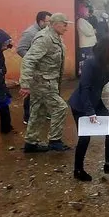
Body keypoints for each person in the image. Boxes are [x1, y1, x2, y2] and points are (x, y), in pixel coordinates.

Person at [69, 36, 109, 181]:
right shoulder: (91, 63)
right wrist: (90, 112)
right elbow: (85, 88)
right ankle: (78, 170)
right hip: (81, 104)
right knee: (84, 138)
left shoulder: (106, 63)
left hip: (96, 101)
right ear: (104, 50)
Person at [19, 13, 72, 153]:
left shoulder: (56, 37)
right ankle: (55, 141)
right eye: (64, 24)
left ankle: (30, 143)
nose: (67, 28)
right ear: (55, 24)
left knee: (38, 111)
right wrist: (24, 83)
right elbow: (28, 60)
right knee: (60, 107)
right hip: (43, 82)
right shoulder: (45, 38)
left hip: (49, 81)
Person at [17, 11, 51, 125]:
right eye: (48, 22)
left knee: (43, 91)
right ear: (41, 22)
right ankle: (27, 117)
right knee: (30, 94)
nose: (50, 24)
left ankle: (43, 113)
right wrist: (33, 60)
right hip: (33, 69)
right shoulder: (30, 33)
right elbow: (20, 49)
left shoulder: (46, 32)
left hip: (43, 70)